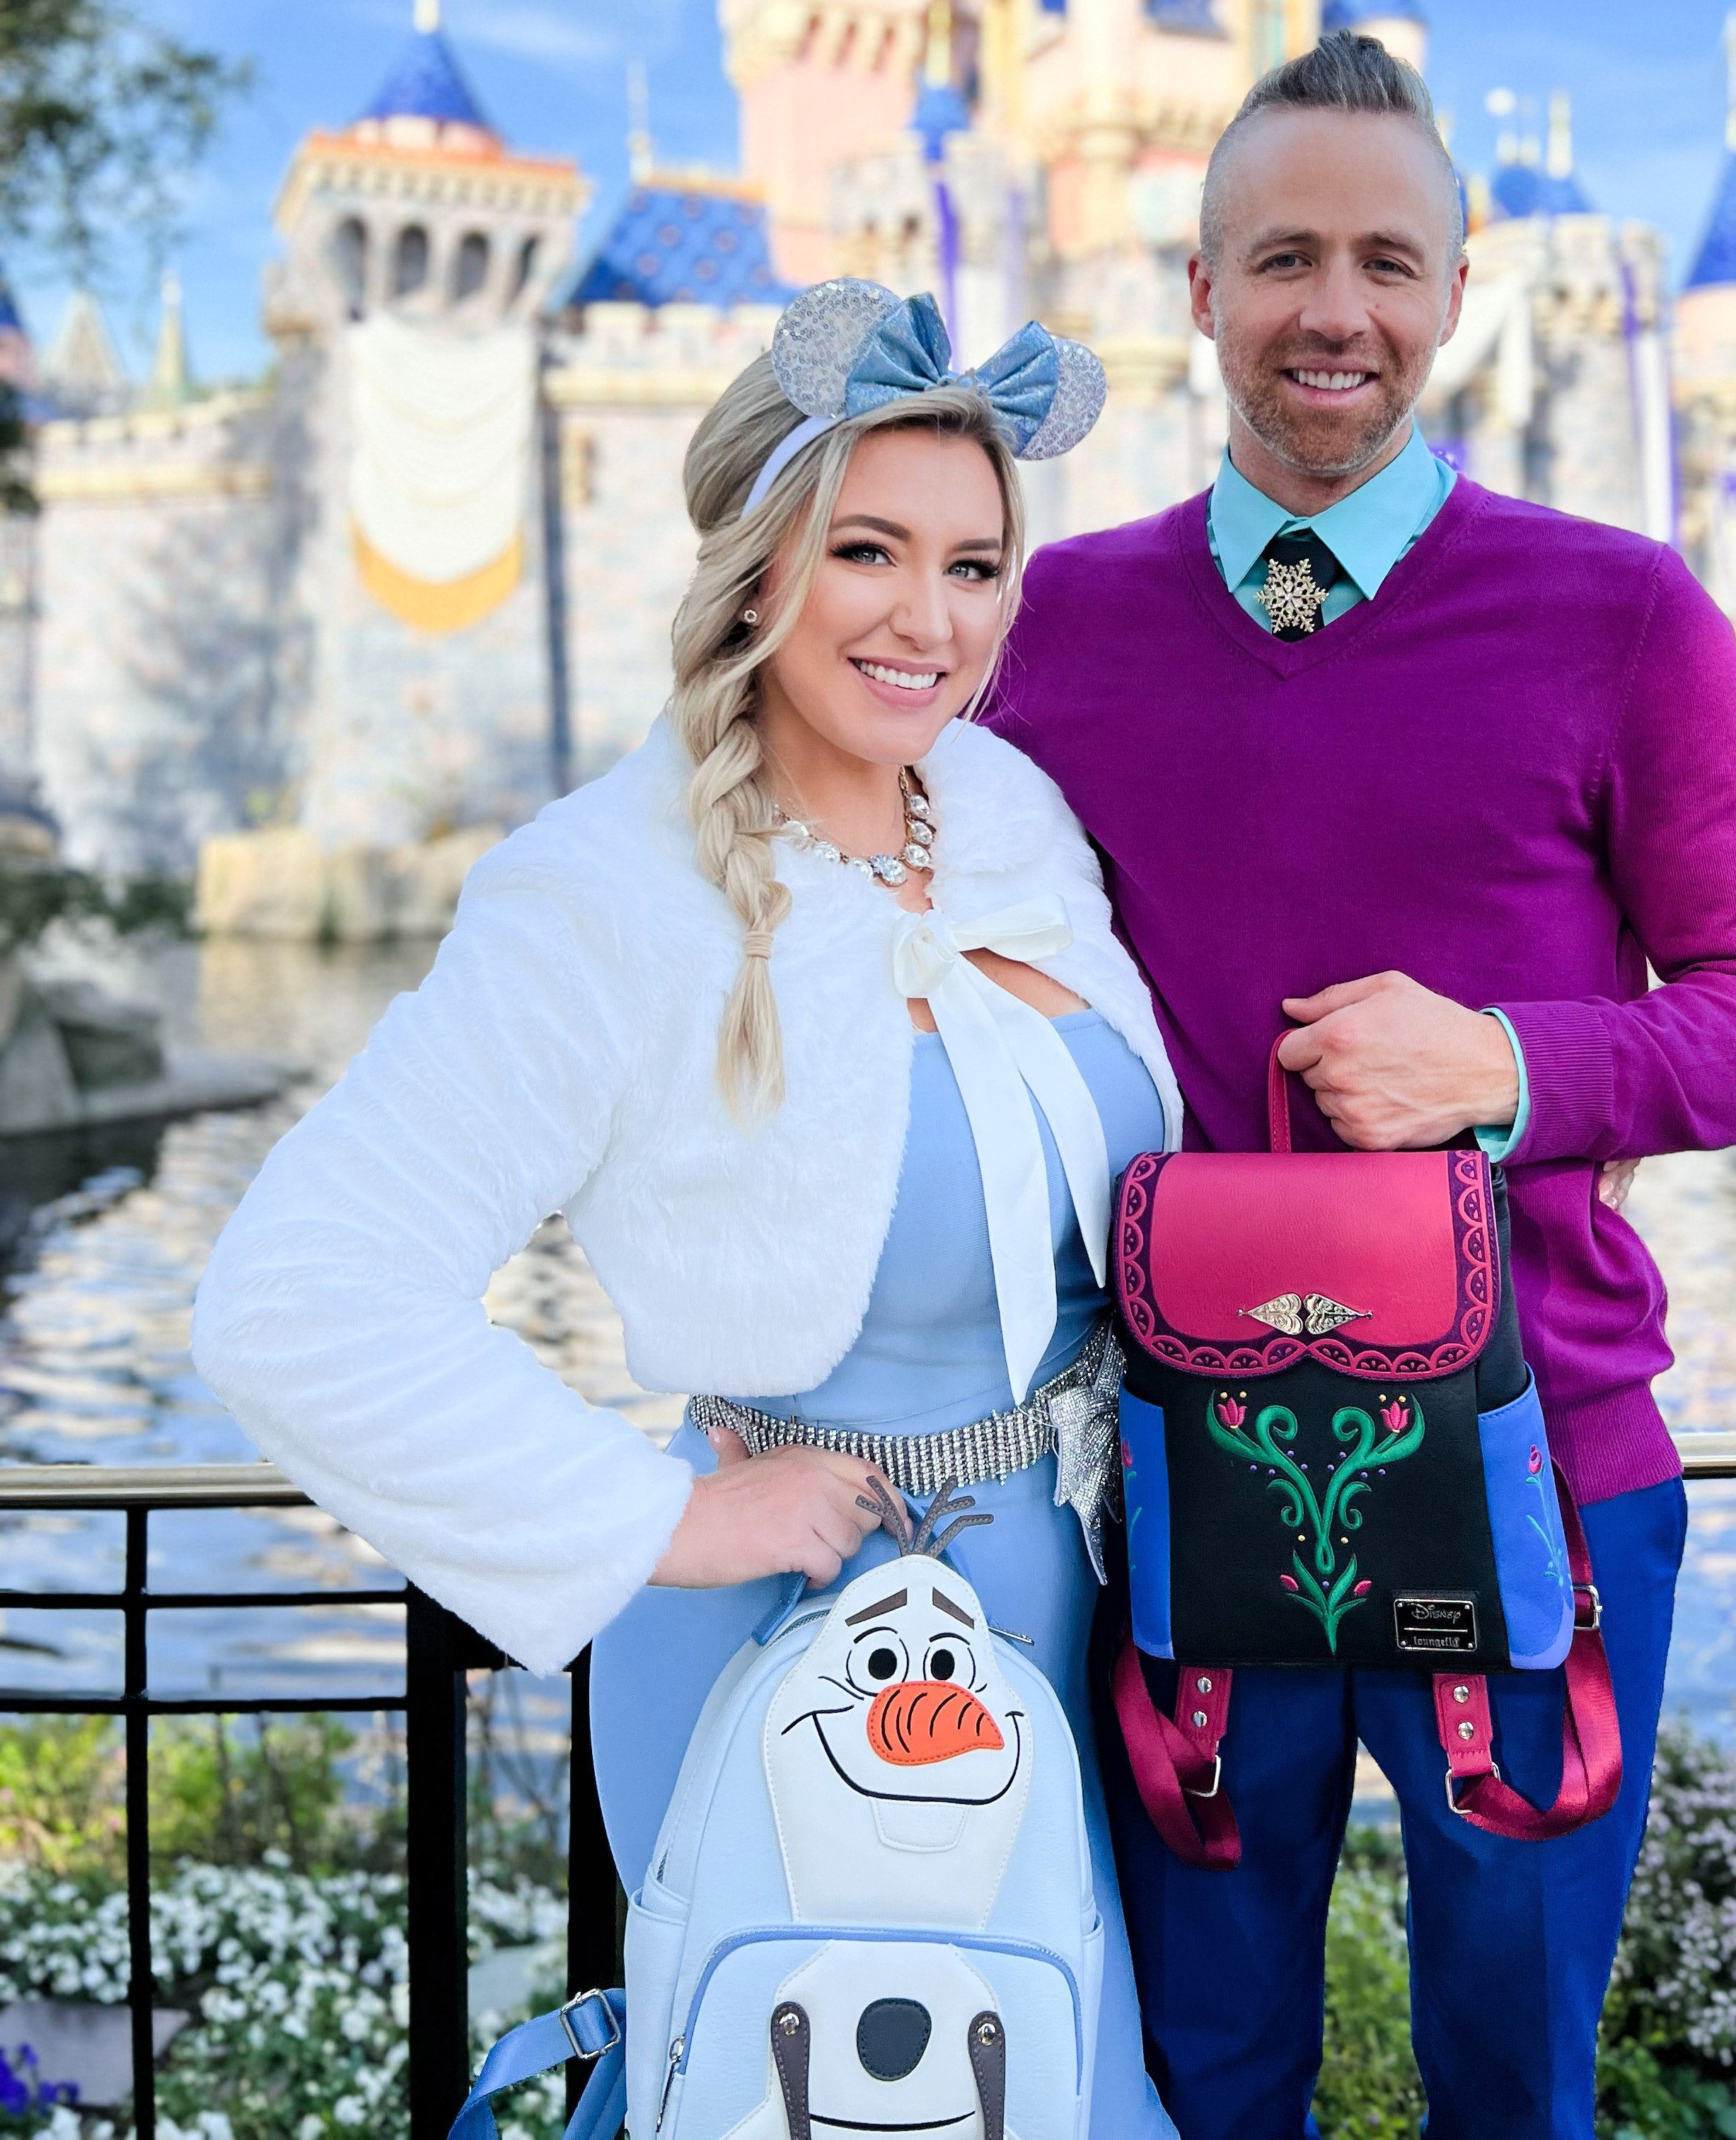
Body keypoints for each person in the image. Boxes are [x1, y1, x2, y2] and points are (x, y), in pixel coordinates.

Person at [985, 32, 1736, 2140]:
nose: (1336, 310)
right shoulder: (1049, 630)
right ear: (1198, 289)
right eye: (1282, 255)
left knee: (1511, 2087)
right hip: (1194, 1483)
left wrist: (1506, 1066)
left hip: (1540, 1476)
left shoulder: (1625, 617)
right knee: (1204, 2079)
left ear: (1458, 293)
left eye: (1389, 259)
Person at [191, 283, 1184, 2137]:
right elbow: (297, 1299)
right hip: (776, 1641)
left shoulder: (1009, 816)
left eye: (977, 566)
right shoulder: (604, 896)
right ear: (755, 565)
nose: (931, 617)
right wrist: (670, 1510)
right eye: (868, 550)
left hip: (1074, 1616)